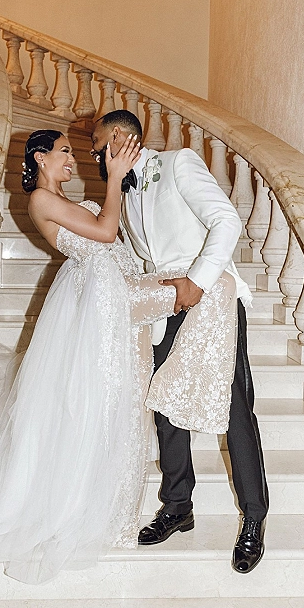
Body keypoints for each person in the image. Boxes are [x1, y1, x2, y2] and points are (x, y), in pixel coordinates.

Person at [0, 129, 191, 584]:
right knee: (122, 397)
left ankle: (116, 510)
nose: (73, 159)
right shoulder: (40, 199)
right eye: (65, 152)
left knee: (128, 405)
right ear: (40, 157)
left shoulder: (64, 200)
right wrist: (113, 179)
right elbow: (106, 230)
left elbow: (114, 242)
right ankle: (97, 513)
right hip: (103, 304)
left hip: (111, 300)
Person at [91, 110, 269, 574]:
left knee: (233, 407)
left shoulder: (179, 163)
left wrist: (196, 281)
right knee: (164, 402)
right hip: (163, 302)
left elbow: (226, 220)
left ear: (117, 138)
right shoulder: (123, 192)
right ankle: (177, 506)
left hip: (209, 294)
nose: (93, 155)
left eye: (96, 145)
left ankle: (254, 517)